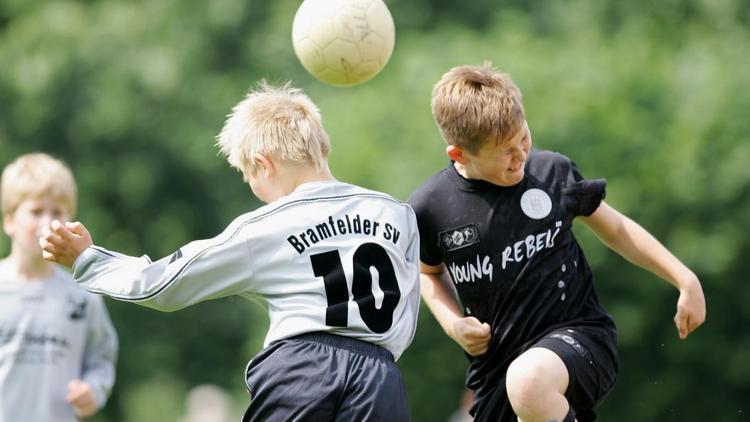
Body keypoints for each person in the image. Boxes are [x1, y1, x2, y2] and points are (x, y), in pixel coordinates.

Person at [40, 81, 421, 421]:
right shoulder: (396, 213)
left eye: (248, 176)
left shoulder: (267, 225)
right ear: (322, 146)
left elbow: (162, 285)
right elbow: (407, 312)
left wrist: (87, 259)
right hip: (381, 378)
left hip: (304, 372)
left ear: (262, 165)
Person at [408, 63, 706, 422]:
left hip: (581, 337)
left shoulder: (551, 173)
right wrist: (454, 324)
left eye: (523, 137)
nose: (520, 155)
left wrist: (684, 278)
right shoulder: (431, 206)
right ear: (459, 155)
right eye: (506, 151)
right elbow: (428, 274)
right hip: (495, 372)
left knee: (529, 380)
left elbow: (616, 229)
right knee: (523, 383)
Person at [0, 153, 118, 422]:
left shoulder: (82, 295)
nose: (47, 223)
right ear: (9, 221)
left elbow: (101, 359)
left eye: (57, 212)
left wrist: (93, 391)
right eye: (36, 211)